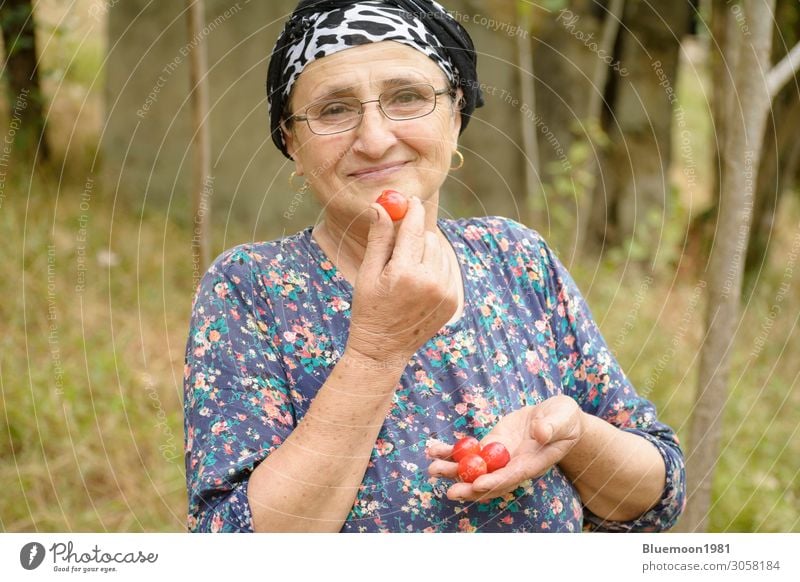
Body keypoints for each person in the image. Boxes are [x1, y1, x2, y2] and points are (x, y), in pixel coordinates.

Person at [183, 0, 685, 533]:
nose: (374, 139)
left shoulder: (517, 259)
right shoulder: (250, 289)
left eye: (408, 98)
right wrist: (377, 349)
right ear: (292, 142)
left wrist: (574, 435)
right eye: (334, 110)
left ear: (455, 114)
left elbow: (657, 495)